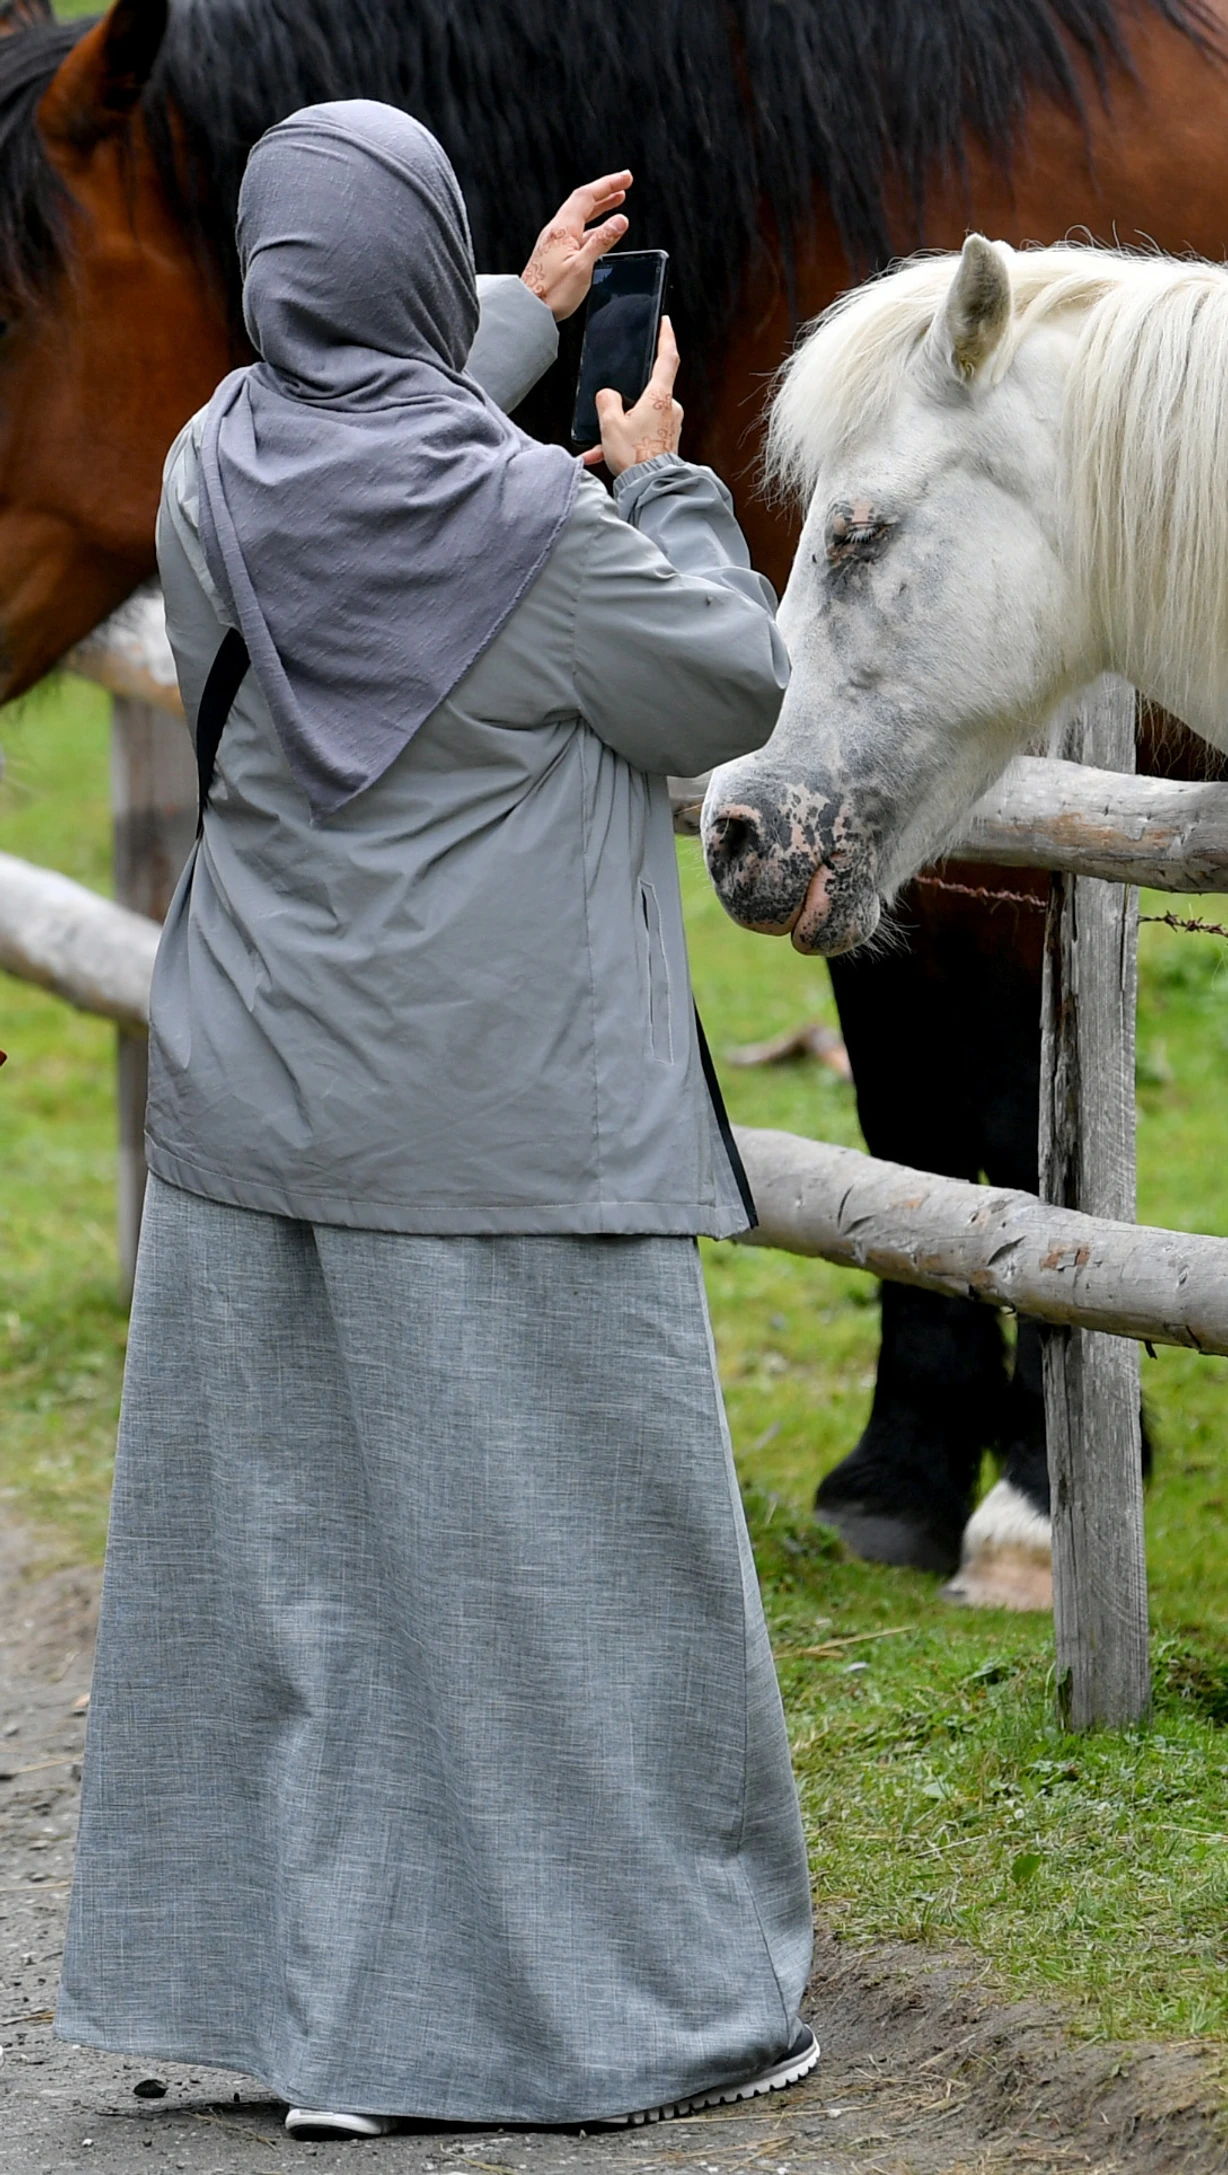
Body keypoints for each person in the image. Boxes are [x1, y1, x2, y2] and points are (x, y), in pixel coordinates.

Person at [55, 102, 812, 2136]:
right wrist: (662, 483)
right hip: (508, 1132)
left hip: (253, 1111)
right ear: (414, 270)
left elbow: (348, 404)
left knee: (302, 1581)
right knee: (572, 1585)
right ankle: (605, 2009)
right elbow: (729, 681)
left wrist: (512, 316)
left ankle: (322, 2025)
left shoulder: (212, 471)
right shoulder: (546, 534)